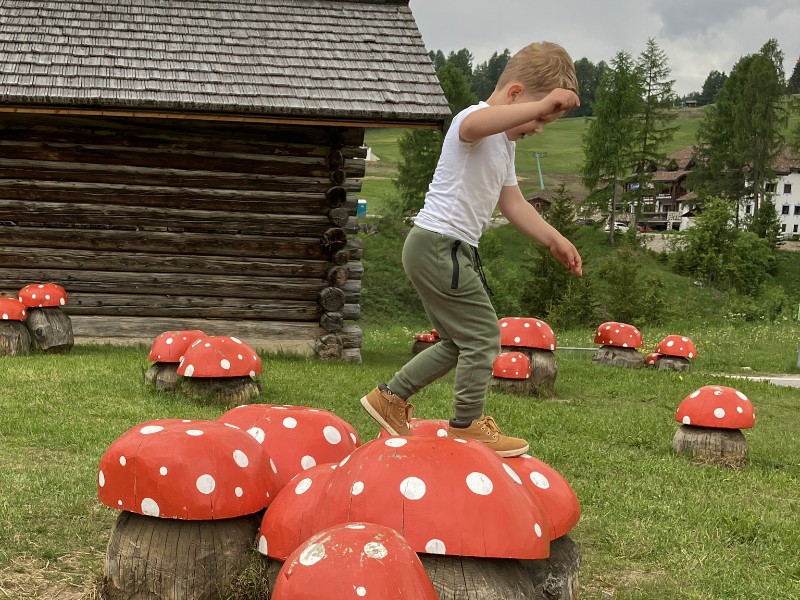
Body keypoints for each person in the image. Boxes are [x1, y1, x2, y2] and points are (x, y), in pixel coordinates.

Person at [360, 41, 583, 457]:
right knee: (483, 336)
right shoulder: (473, 120)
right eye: (537, 117)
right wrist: (540, 106)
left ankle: (388, 398)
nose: (538, 127)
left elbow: (512, 202)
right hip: (439, 244)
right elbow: (471, 127)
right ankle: (466, 426)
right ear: (515, 95)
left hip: (445, 249)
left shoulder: (505, 145)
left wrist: (554, 237)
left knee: (456, 340)